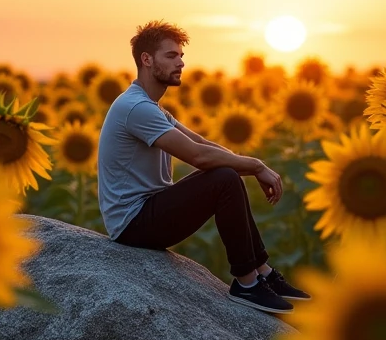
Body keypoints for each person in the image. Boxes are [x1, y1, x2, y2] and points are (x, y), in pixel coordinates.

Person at [97, 20, 311, 315]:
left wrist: (248, 165)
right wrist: (255, 165)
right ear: (147, 60)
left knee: (226, 173)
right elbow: (199, 157)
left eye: (181, 56)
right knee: (222, 177)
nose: (181, 62)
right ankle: (247, 284)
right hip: (133, 223)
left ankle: (262, 272)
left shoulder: (150, 106)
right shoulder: (136, 108)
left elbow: (201, 142)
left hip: (146, 214)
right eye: (171, 55)